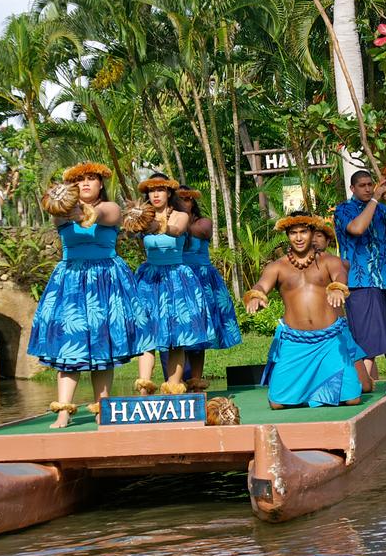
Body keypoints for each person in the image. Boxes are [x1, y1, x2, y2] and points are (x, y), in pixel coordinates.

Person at [28, 162, 150, 428]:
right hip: (71, 281)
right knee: (68, 346)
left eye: (91, 179)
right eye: (80, 180)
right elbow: (63, 214)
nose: (85, 183)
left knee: (102, 344)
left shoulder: (112, 208)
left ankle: (101, 409)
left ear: (101, 183)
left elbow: (99, 215)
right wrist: (64, 203)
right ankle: (63, 411)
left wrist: (76, 208)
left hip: (105, 279)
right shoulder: (62, 212)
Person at [245, 212, 370, 408]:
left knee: (353, 399)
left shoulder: (329, 261)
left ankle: (318, 392)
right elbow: (262, 285)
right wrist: (255, 295)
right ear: (287, 235)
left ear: (312, 233)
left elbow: (340, 275)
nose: (299, 237)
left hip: (330, 340)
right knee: (277, 403)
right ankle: (313, 392)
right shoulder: (277, 267)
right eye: (293, 233)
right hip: (295, 341)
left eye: (303, 232)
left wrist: (337, 287)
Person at [129, 173, 212, 396]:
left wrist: (150, 221)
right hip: (149, 279)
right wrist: (133, 219)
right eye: (151, 191)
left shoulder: (181, 216)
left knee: (177, 337)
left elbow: (175, 231)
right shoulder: (142, 217)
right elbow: (128, 230)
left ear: (169, 193)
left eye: (160, 190)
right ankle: (144, 388)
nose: (155, 194)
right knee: (147, 334)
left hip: (176, 278)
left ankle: (174, 389)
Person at [334, 170, 386, 380]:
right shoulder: (344, 209)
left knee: (372, 335)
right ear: (352, 188)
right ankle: (363, 384)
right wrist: (375, 198)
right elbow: (356, 229)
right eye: (363, 185)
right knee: (368, 337)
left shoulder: (381, 209)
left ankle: (370, 381)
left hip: (377, 281)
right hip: (358, 282)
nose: (367, 189)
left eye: (370, 185)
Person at [178, 185, 242, 386]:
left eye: (187, 199)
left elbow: (201, 232)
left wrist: (174, 221)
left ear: (193, 202)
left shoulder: (203, 222)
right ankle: (176, 381)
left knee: (200, 330)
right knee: (180, 330)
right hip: (177, 281)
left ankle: (196, 380)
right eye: (179, 199)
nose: (183, 203)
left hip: (201, 279)